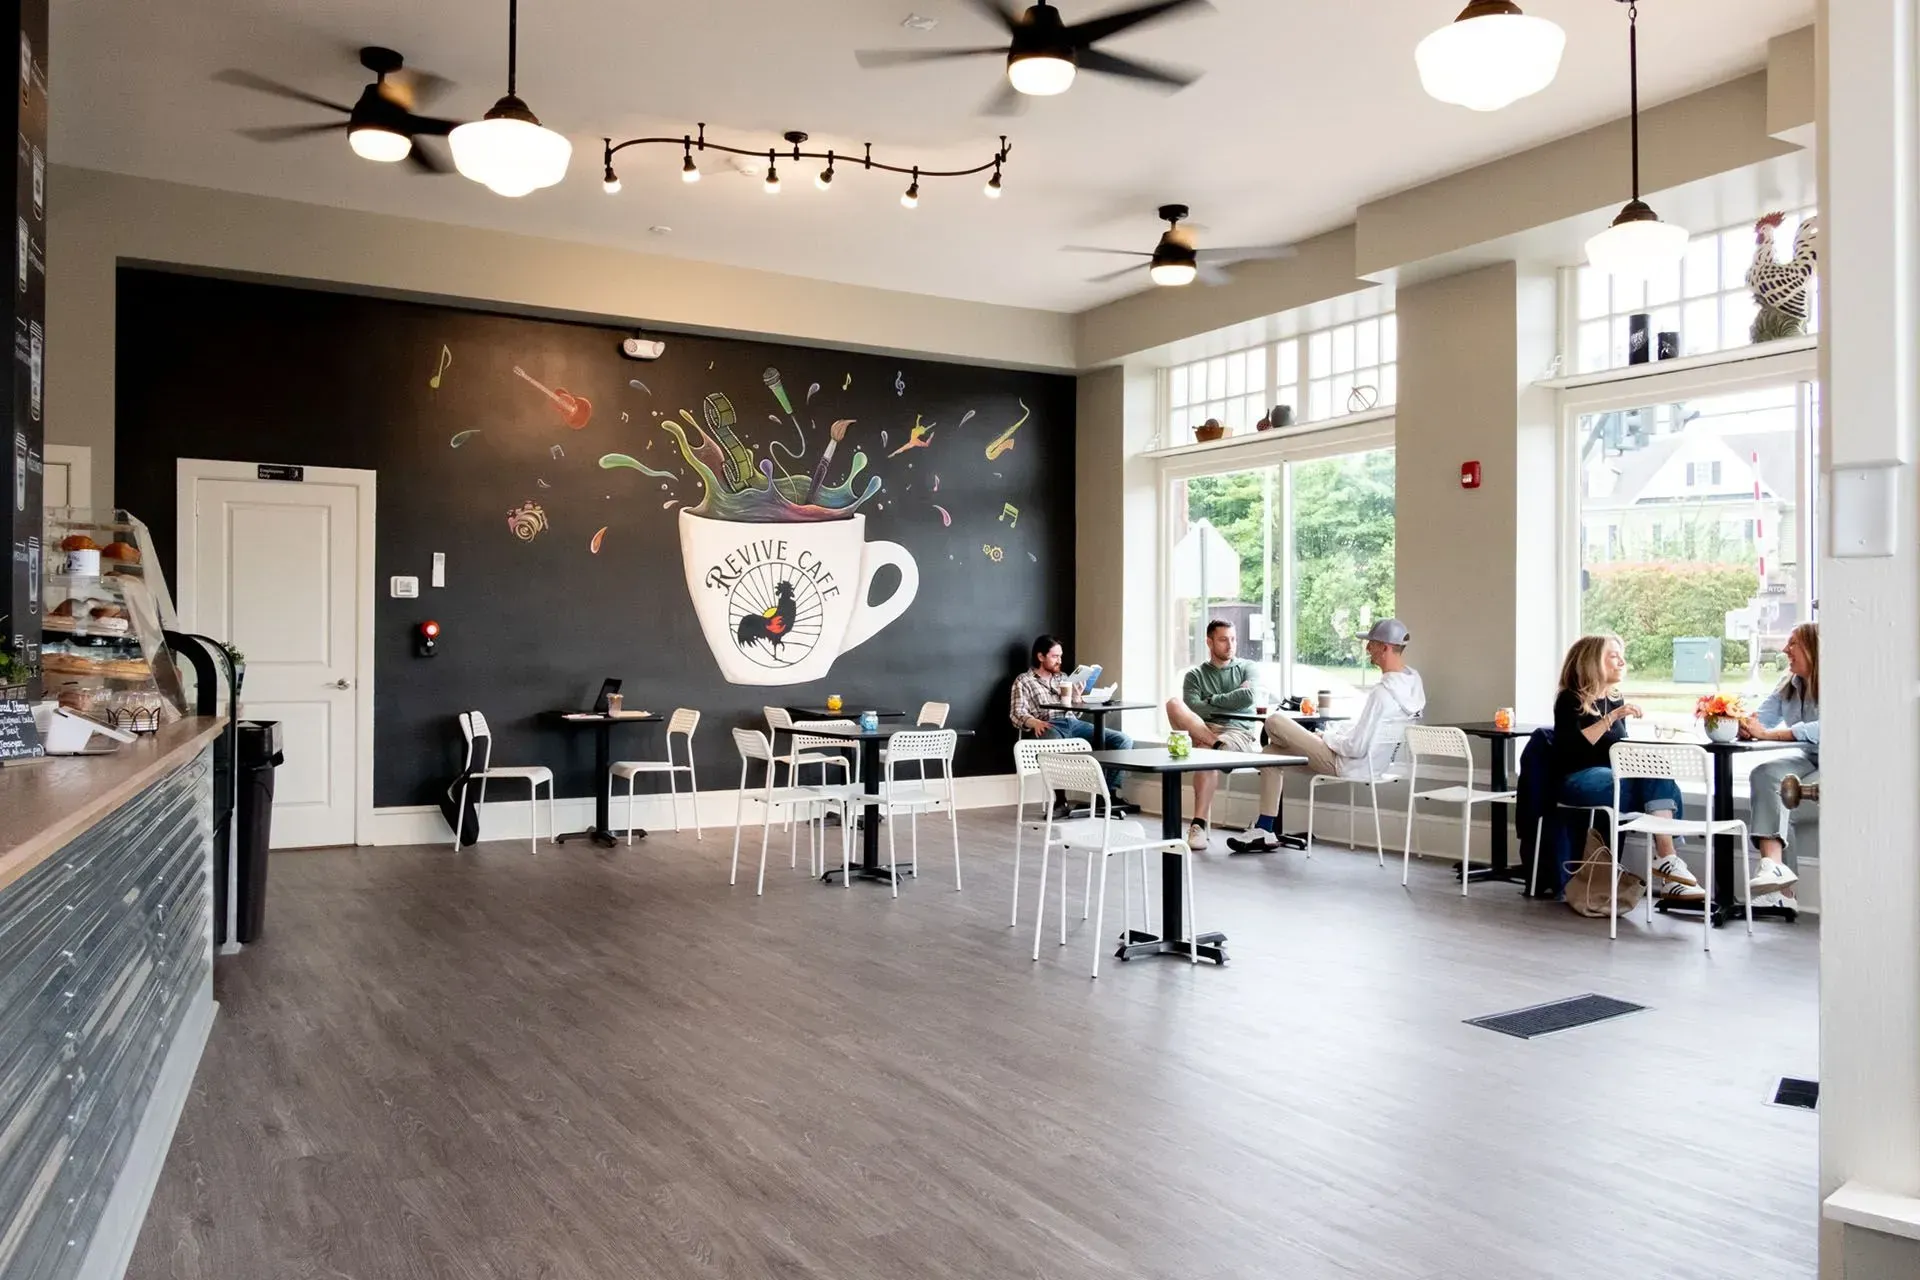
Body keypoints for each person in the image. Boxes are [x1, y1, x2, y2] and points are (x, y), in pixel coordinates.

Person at [1224, 619, 1427, 854]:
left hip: (1347, 763)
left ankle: (1260, 768)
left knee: (1274, 721)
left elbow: (1356, 748)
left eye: (1371, 644)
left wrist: (1326, 740)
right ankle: (1264, 831)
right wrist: (1329, 736)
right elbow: (1365, 736)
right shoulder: (1412, 685)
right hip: (1373, 765)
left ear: (1385, 648)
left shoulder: (1382, 694)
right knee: (1269, 754)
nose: (1367, 649)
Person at [1552, 634, 1704, 901]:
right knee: (1658, 789)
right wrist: (1612, 718)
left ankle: (1667, 859)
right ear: (1591, 661)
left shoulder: (1615, 698)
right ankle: (1667, 863)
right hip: (1578, 780)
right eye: (1614, 655)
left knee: (1656, 768)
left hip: (1614, 779)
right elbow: (1570, 751)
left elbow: (1620, 750)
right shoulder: (1569, 699)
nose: (1622, 661)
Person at [1738, 621, 1819, 907]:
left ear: (1813, 648)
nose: (1786, 649)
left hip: (1840, 759)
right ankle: (1773, 873)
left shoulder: (1837, 681)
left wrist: (1770, 734)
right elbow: (1763, 717)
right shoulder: (1789, 683)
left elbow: (1823, 728)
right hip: (1808, 757)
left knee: (1787, 799)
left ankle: (1782, 891)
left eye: (1793, 643)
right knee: (1766, 773)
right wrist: (1740, 722)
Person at [1163, 620, 1262, 849]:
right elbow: (1193, 708)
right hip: (1205, 728)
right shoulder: (1195, 675)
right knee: (1173, 704)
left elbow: (1248, 698)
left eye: (1233, 639)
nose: (1230, 645)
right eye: (1223, 639)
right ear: (1209, 642)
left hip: (1238, 732)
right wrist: (1231, 699)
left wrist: (1212, 700)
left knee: (1205, 753)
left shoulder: (1248, 667)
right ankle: (1217, 747)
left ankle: (1198, 825)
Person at [1010, 634, 1133, 804]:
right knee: (1051, 741)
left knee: (1123, 740)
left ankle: (1106, 796)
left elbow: (1074, 713)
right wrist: (1035, 722)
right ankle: (1060, 800)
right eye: (1054, 656)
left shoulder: (1063, 678)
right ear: (1040, 656)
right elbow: (1016, 714)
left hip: (1074, 724)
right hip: (1049, 725)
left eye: (1060, 656)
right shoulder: (1024, 680)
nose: (1059, 660)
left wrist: (1076, 698)